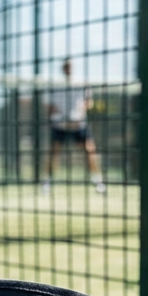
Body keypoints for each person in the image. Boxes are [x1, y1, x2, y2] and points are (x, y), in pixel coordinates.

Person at [41, 59, 105, 195]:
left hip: (78, 125)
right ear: (62, 68)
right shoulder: (53, 85)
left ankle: (98, 181)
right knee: (53, 153)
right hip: (59, 125)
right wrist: (61, 118)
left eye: (70, 66)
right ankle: (46, 182)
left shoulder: (82, 83)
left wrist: (78, 114)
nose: (68, 69)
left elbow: (89, 102)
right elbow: (48, 106)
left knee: (90, 150)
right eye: (66, 67)